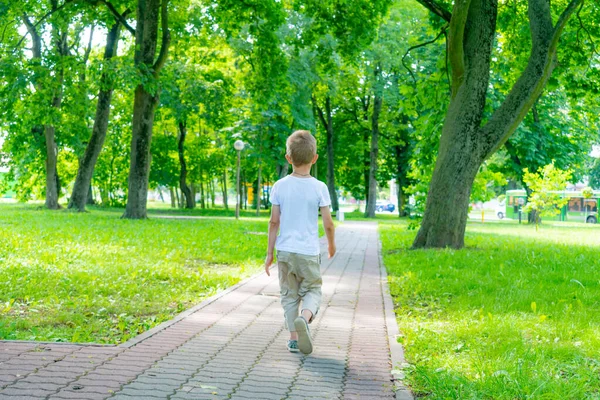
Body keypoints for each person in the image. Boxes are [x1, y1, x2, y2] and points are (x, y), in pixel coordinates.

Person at [264, 130, 336, 355]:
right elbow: (328, 223)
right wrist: (331, 245)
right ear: (314, 158)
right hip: (308, 252)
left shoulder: (279, 186)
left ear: (288, 158)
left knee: (289, 295)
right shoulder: (320, 187)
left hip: (285, 251)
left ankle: (294, 340)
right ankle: (305, 318)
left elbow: (274, 222)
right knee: (313, 289)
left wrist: (269, 253)